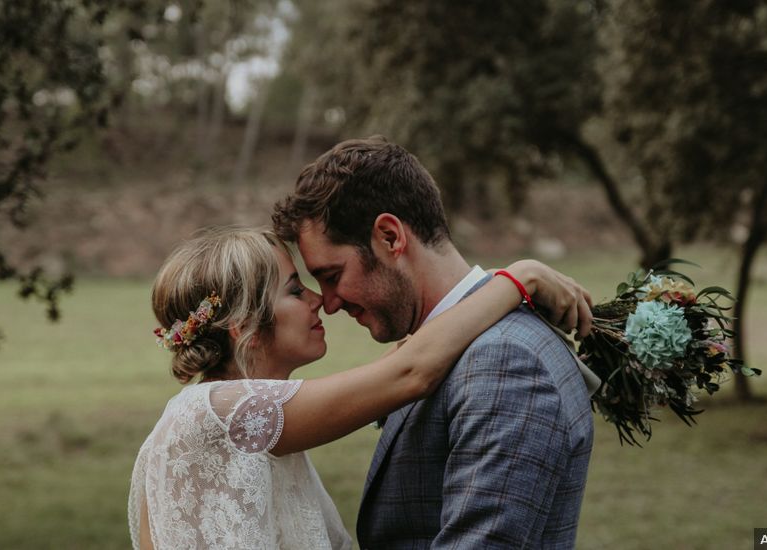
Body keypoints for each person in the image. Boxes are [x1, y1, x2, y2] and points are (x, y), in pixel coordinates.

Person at [129, 225, 590, 549]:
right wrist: (519, 278)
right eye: (295, 290)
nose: (319, 302)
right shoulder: (215, 412)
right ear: (242, 323)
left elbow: (407, 354)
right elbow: (411, 371)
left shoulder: (241, 414)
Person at [272, 136, 596, 549]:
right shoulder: (452, 344)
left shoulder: (504, 362)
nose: (329, 303)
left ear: (390, 237)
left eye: (333, 275)